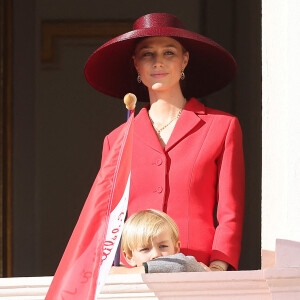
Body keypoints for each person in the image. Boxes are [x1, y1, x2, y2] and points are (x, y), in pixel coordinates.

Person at [84, 13, 245, 271]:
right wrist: (108, 269)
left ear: (185, 60)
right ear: (136, 64)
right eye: (148, 54)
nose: (158, 62)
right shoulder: (116, 139)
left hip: (199, 270)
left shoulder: (222, 127)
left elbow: (230, 212)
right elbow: (107, 216)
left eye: (169, 52)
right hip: (136, 273)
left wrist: (218, 266)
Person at [110, 209, 209, 274]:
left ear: (176, 248)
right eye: (145, 249)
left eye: (163, 246)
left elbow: (183, 264)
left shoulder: (185, 265)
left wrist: (127, 272)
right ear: (129, 256)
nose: (156, 254)